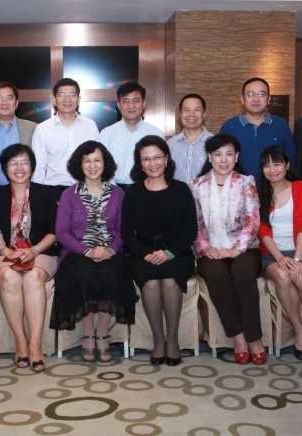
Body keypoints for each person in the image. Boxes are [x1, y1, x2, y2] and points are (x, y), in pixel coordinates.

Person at [50, 141, 138, 362]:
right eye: (87, 161)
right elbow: (61, 233)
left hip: (111, 251)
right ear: (79, 165)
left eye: (97, 160)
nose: (92, 165)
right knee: (84, 274)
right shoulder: (69, 194)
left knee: (112, 274)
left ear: (105, 163)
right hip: (78, 252)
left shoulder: (118, 193)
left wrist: (110, 249)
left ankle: (102, 333)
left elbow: (123, 230)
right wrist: (88, 251)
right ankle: (89, 333)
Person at [0, 144, 59, 372]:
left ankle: (35, 344)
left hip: (41, 251)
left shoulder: (46, 194)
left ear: (32, 167)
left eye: (24, 162)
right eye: (13, 163)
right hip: (6, 253)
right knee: (9, 277)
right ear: (5, 168)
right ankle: (20, 342)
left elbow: (54, 232)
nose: (19, 168)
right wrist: (4, 250)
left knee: (33, 277)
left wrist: (34, 250)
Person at [190, 134, 266, 365]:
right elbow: (194, 224)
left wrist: (237, 249)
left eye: (229, 154)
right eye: (218, 154)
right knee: (216, 275)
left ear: (237, 157)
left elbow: (253, 220)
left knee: (243, 274)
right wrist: (205, 247)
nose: (224, 160)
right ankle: (238, 337)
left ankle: (255, 338)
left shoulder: (246, 182)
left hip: (244, 248)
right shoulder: (197, 186)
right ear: (209, 157)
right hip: (210, 249)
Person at [121, 135, 197, 366]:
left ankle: (172, 340)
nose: (152, 163)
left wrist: (169, 253)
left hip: (177, 252)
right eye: (146, 159)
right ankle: (158, 341)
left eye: (157, 157)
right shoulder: (133, 192)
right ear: (140, 164)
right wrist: (145, 253)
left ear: (166, 159)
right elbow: (126, 233)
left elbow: (191, 231)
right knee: (152, 282)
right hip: (143, 253)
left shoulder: (181, 189)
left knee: (171, 281)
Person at [256, 145, 302, 361]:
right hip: (272, 252)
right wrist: (280, 258)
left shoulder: (300, 187)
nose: (272, 170)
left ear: (287, 165)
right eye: (267, 165)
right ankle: (299, 329)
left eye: (277, 164)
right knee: (282, 275)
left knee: (301, 274)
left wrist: (297, 258)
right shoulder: (259, 192)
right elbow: (262, 230)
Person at [31, 78, 99, 200]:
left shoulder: (90, 126)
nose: (67, 99)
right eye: (62, 95)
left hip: (86, 192)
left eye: (72, 95)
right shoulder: (42, 129)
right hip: (54, 193)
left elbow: (98, 161)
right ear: (54, 100)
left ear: (78, 99)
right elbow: (38, 168)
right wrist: (38, 197)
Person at [219, 77, 295, 179]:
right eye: (250, 94)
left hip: (274, 187)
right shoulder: (229, 127)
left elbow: (291, 159)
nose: (256, 99)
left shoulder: (281, 125)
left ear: (268, 99)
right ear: (242, 99)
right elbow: (220, 161)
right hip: (239, 187)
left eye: (261, 94)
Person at [100, 82, 163, 190]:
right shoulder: (107, 134)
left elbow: (160, 165)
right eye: (125, 101)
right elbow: (101, 166)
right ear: (119, 105)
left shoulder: (156, 133)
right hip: (113, 190)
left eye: (136, 100)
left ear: (143, 103)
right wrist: (114, 191)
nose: (131, 106)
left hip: (146, 190)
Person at [168, 93, 213, 184]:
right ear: (180, 114)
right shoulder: (170, 144)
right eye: (186, 110)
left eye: (196, 110)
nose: (191, 114)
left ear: (204, 114)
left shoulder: (215, 143)